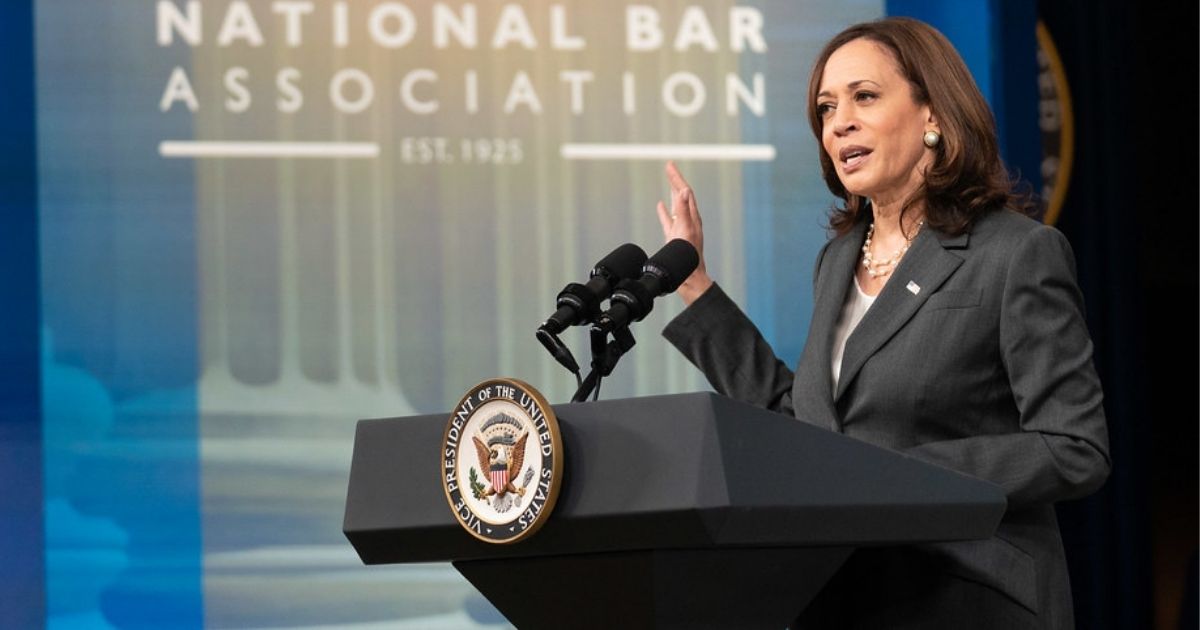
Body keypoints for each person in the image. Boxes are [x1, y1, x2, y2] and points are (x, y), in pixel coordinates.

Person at [655, 17, 1110, 629]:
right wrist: (695, 285)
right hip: (842, 591)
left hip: (967, 592)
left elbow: (1074, 448)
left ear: (934, 115)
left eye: (864, 96)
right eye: (825, 107)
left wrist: (902, 476)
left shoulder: (1015, 253)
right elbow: (810, 435)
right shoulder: (836, 263)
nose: (838, 121)